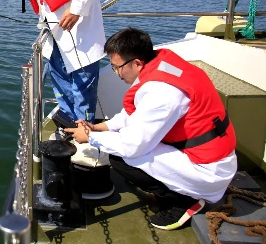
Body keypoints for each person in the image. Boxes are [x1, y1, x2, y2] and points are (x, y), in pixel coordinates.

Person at [65, 27, 237, 230]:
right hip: (206, 154)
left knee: (122, 158)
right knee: (119, 143)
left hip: (208, 171)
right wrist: (99, 127)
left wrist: (90, 137)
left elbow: (131, 146)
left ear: (136, 63)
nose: (117, 73)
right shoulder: (161, 65)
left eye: (117, 67)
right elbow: (135, 115)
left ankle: (183, 201)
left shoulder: (162, 93)